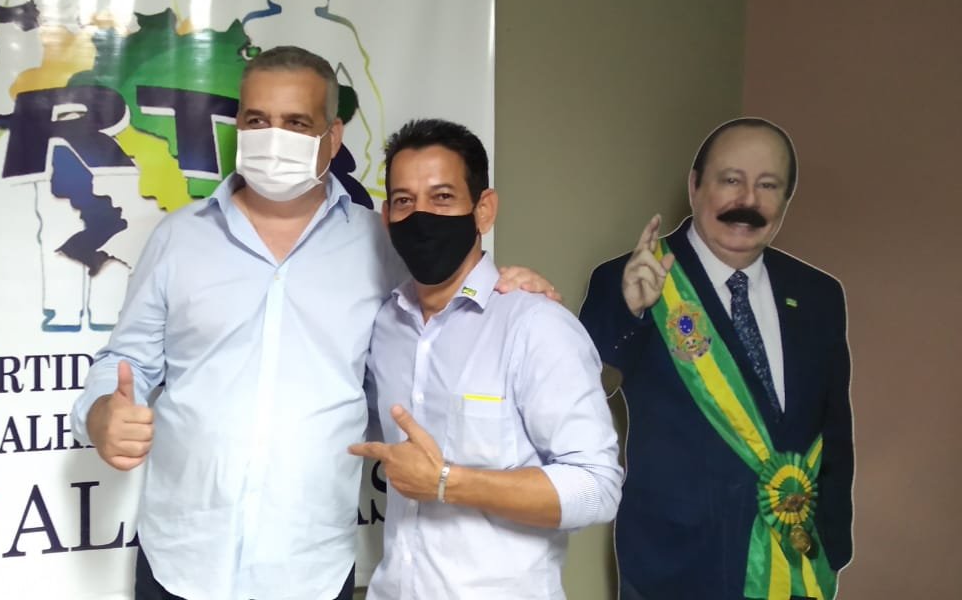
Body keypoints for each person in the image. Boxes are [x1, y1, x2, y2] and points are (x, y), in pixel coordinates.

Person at [70, 47, 553, 600]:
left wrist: (509, 285)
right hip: (180, 559)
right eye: (257, 121)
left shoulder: (383, 245)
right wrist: (101, 412)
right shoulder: (178, 238)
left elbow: (449, 313)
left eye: (297, 123)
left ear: (333, 137)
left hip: (310, 568)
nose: (273, 138)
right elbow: (124, 361)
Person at [579, 118, 854, 600]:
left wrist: (832, 542)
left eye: (768, 185)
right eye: (731, 180)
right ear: (694, 186)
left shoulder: (819, 294)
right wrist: (631, 312)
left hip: (792, 560)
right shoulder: (630, 277)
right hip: (675, 564)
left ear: (786, 200)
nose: (748, 200)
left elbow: (834, 429)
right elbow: (587, 390)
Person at [349, 119, 622, 599]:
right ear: (387, 216)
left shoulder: (536, 326)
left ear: (484, 209)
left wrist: (447, 482)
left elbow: (597, 488)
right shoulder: (385, 326)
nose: (421, 216)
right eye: (404, 201)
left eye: (442, 197)